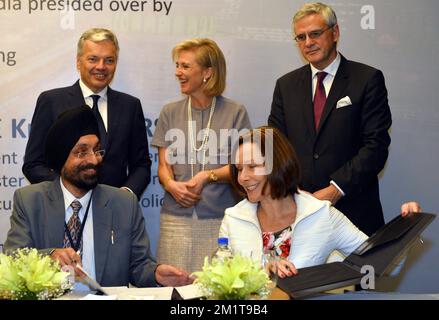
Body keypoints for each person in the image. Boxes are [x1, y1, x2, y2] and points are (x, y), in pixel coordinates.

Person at [5, 107, 192, 288]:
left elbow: (138, 266)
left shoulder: (124, 203)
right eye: (82, 152)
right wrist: (50, 255)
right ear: (61, 158)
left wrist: (156, 274)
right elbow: (14, 258)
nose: (94, 160)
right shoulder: (30, 201)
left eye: (97, 150)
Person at [220, 127, 421, 278]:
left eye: (253, 166)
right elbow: (221, 280)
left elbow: (384, 265)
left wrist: (406, 228)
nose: (242, 177)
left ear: (279, 165)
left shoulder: (322, 214)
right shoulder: (233, 218)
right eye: (239, 169)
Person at [268, 2, 392, 236]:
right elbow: (276, 147)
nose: (308, 43)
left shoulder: (366, 79)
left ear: (335, 33)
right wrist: (293, 191)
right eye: (300, 37)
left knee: (353, 274)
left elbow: (375, 147)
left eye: (315, 34)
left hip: (353, 212)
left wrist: (335, 189)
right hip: (298, 215)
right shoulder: (285, 85)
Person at [151, 38, 251, 272]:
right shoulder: (169, 112)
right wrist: (170, 185)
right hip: (175, 221)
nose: (178, 72)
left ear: (207, 72)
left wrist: (208, 176)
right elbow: (164, 165)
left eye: (185, 66)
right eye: (177, 66)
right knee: (173, 288)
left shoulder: (236, 112)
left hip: (220, 220)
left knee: (215, 291)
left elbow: (243, 167)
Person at [22, 28, 151, 200]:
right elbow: (33, 164)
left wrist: (124, 197)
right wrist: (70, 193)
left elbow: (141, 165)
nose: (101, 66)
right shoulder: (51, 101)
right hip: (65, 212)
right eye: (93, 59)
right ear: (78, 62)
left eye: (109, 60)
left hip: (114, 212)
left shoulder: (130, 106)